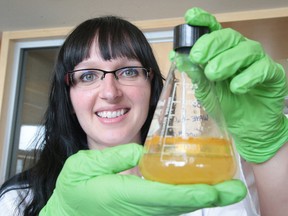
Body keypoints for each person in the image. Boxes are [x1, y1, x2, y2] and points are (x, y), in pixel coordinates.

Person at [0, 6, 287, 216]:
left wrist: (270, 146)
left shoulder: (218, 172)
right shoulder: (18, 200)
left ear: (152, 88)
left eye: (127, 71)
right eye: (87, 76)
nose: (110, 93)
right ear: (69, 100)